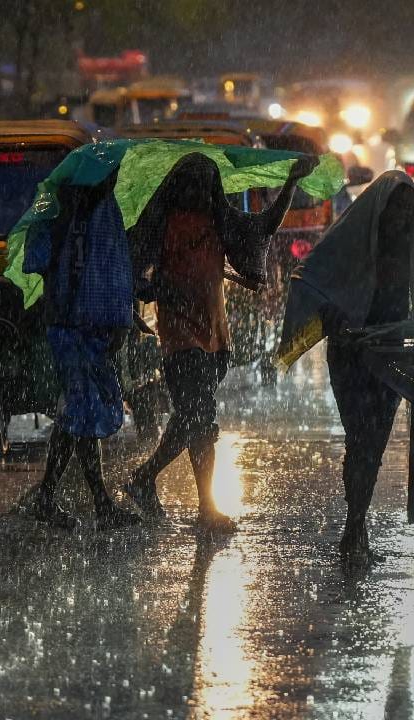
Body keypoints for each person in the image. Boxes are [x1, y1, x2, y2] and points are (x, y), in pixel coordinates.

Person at [123, 152, 309, 533]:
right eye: (189, 183)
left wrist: (290, 183)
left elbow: (266, 225)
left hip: (215, 336)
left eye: (203, 184)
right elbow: (131, 269)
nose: (196, 191)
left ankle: (143, 478)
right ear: (177, 186)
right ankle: (207, 509)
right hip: (180, 337)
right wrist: (155, 289)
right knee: (202, 421)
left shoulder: (220, 221)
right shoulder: (160, 225)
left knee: (190, 418)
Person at [289, 171, 414, 563]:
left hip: (391, 350)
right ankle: (354, 526)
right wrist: (336, 315)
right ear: (380, 209)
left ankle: (356, 526)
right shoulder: (354, 239)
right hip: (353, 353)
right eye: (396, 209)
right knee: (361, 436)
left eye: (409, 211)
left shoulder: (413, 241)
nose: (402, 218)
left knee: (374, 442)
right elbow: (309, 276)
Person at [26, 174, 142, 531]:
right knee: (82, 408)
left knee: (79, 410)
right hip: (76, 325)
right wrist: (121, 320)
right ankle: (95, 503)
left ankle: (54, 496)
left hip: (74, 324)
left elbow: (38, 259)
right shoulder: (90, 211)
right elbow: (115, 267)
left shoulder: (61, 208)